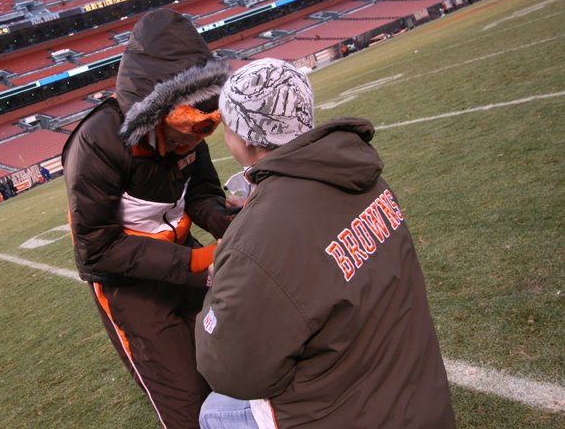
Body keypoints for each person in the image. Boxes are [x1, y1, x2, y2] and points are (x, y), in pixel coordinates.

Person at [195, 59, 455, 429]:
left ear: (248, 135)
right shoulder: (364, 175)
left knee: (214, 413)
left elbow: (231, 370)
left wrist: (221, 271)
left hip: (346, 408)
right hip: (414, 390)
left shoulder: (256, 241)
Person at [62, 8, 240, 429]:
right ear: (153, 108)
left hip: (183, 259)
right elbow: (95, 252)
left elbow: (200, 191)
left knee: (238, 362)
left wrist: (227, 221)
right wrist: (196, 261)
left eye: (203, 129)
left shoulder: (192, 129)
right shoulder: (97, 141)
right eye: (185, 128)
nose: (192, 140)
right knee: (188, 405)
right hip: (132, 286)